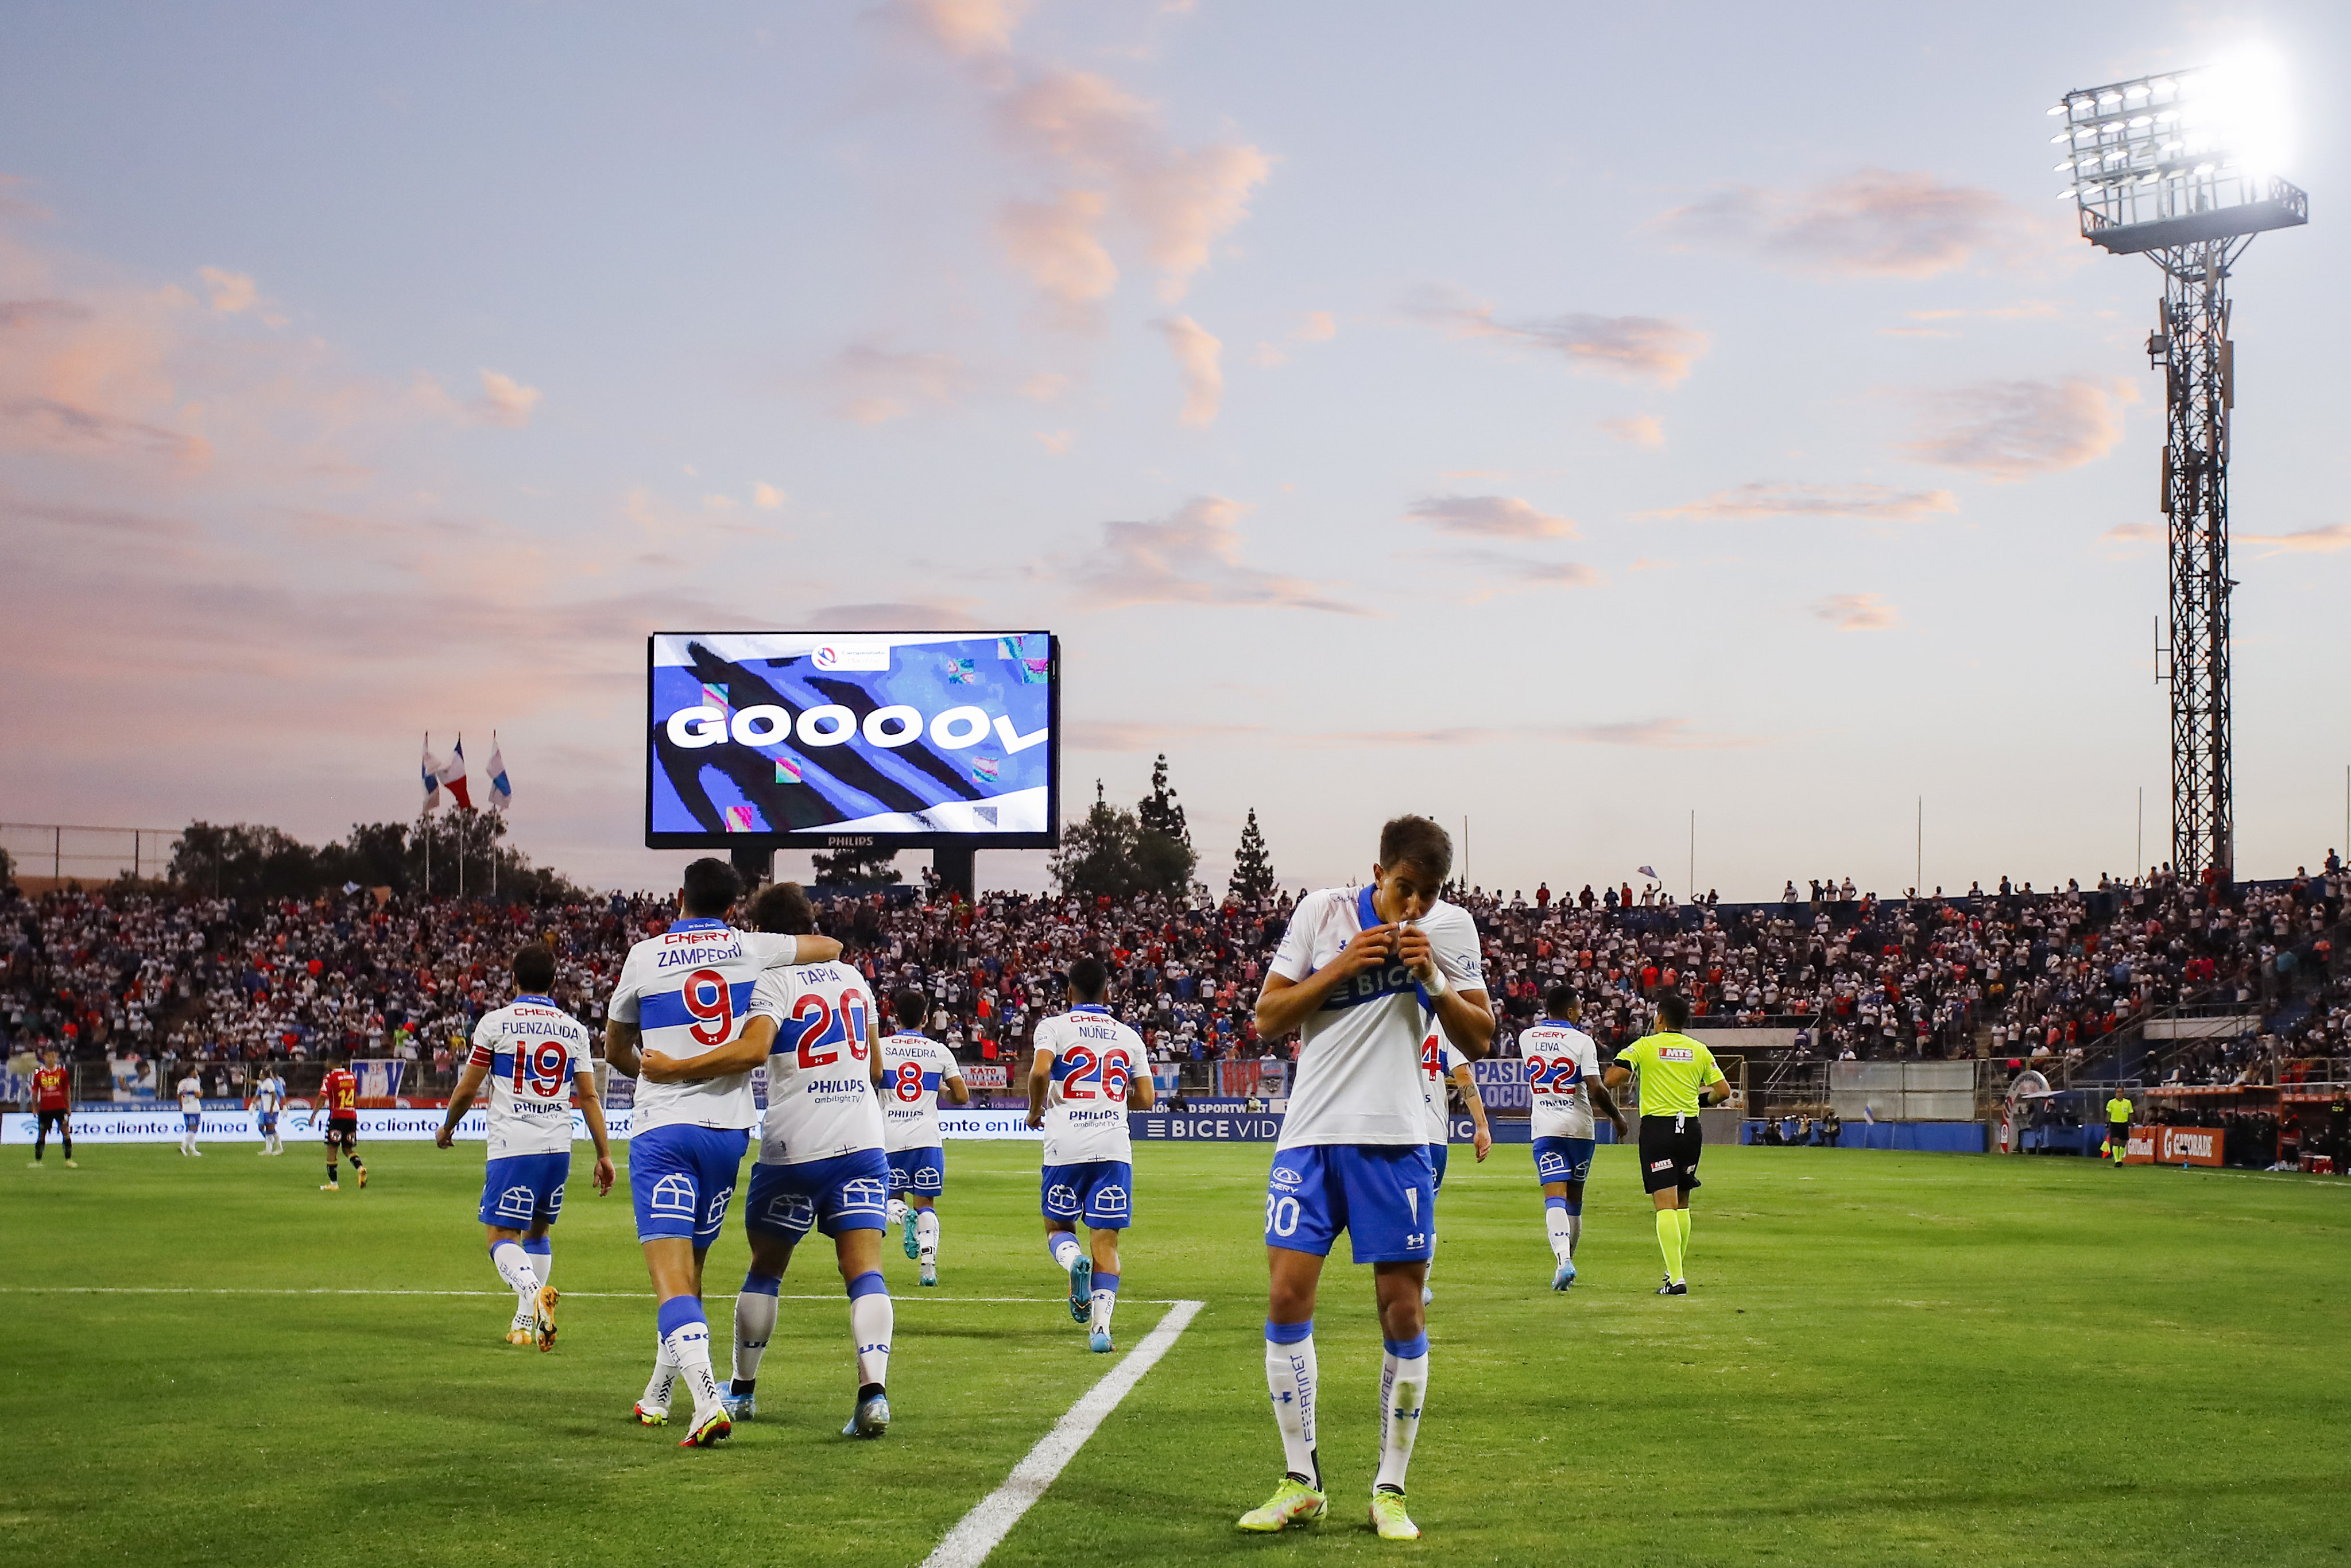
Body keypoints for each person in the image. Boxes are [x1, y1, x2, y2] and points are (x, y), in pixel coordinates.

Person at [1239, 815, 1492, 1542]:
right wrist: (1342, 967)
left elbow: (1479, 1036)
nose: (1415, 904)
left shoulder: (1451, 929)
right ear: (1378, 872)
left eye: (1428, 892)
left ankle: (1390, 1489)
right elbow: (1267, 1017)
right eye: (1404, 887)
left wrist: (1433, 977)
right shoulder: (1321, 913)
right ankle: (1301, 1481)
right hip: (1310, 1139)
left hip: (1396, 1140)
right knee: (1286, 1298)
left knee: (1403, 1311)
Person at [638, 880, 892, 1439]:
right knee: (865, 1272)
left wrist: (675, 1069)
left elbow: (753, 1050)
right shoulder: (855, 979)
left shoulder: (771, 979)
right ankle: (872, 1392)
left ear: (764, 930)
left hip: (793, 1147)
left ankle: (743, 1389)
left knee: (766, 1270)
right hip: (862, 1141)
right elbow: (877, 1067)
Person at [602, 859, 843, 1447]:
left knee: (671, 1280)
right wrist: (771, 949)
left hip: (664, 1132)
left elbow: (614, 1049)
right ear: (732, 907)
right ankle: (659, 1393)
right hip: (727, 1133)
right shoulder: (749, 947)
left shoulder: (644, 955)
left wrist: (657, 1075)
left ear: (679, 896)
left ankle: (709, 1402)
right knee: (692, 1272)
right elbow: (831, 947)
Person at [436, 943, 615, 1350]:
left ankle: (535, 1293)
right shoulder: (573, 1030)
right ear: (554, 982)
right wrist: (604, 1154)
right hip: (558, 1146)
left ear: (513, 979)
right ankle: (523, 1322)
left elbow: (468, 1087)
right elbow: (589, 1096)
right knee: (538, 1231)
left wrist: (448, 1126)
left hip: (513, 1145)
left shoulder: (495, 1024)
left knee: (500, 1235)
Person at [1028, 956, 1154, 1354]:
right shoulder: (1128, 1035)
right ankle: (1100, 1330)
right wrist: (1110, 1099)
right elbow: (1146, 1098)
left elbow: (1039, 1072)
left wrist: (1034, 1110)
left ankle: (1072, 1263)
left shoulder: (1053, 1026)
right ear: (1108, 993)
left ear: (1069, 992)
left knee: (1057, 1228)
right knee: (1107, 1243)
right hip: (1113, 1148)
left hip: (1065, 1146)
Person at [1602, 992, 1731, 1296]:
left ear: (1659, 1018)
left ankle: (1676, 1280)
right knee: (1682, 1202)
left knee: (1664, 1205)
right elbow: (1723, 1092)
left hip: (1658, 1129)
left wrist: (1633, 1071)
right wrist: (1701, 1100)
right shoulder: (1699, 1050)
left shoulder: (1645, 1046)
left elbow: (1611, 1079)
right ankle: (1675, 1269)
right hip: (1691, 1129)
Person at [1518, 989, 1626, 1290]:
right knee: (1575, 1199)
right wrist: (1617, 1117)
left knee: (1554, 1197)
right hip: (1580, 1129)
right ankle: (1567, 1263)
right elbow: (1596, 1087)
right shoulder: (1582, 1041)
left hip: (1547, 1128)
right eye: (1579, 1009)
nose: (1581, 1013)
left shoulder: (1527, 1038)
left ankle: (1563, 1261)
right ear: (1569, 1012)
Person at [879, 989, 969, 1287]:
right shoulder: (939, 1051)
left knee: (888, 1199)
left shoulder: (881, 1047)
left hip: (889, 1137)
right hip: (927, 1139)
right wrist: (940, 1090)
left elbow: (869, 1082)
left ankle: (903, 1215)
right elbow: (962, 1096)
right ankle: (928, 1268)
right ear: (926, 1018)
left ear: (894, 1017)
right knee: (926, 1204)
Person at [1415, 1025, 1492, 1306]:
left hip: (1391, 1132)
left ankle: (1398, 1284)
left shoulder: (1385, 1011)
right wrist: (1482, 1125)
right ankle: (1419, 1286)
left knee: (1394, 1210)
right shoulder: (1445, 1023)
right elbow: (1464, 1077)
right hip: (1431, 1135)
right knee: (1424, 1210)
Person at [309, 1056, 364, 1188]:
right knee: (347, 1149)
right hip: (351, 1116)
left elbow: (322, 1097)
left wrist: (314, 1115)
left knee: (332, 1150)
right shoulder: (352, 1077)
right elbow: (355, 1097)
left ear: (331, 1063)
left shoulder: (330, 1078)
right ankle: (360, 1167)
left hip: (337, 1117)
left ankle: (334, 1184)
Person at [30, 1048, 73, 1167]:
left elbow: (66, 1091)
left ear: (56, 1057)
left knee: (65, 1131)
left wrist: (68, 1107)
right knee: (42, 1134)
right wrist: (35, 1107)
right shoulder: (39, 1074)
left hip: (60, 1108)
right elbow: (35, 1092)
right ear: (44, 1057)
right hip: (45, 1109)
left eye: (53, 1056)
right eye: (49, 1056)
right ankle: (38, 1161)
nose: (51, 1058)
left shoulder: (62, 1072)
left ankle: (68, 1160)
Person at [249, 1062, 287, 1156]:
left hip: (272, 1108)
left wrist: (285, 1107)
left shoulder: (277, 1084)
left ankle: (275, 1147)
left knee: (271, 1128)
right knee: (261, 1127)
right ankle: (269, 1147)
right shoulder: (263, 1083)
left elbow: (282, 1096)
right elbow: (258, 1094)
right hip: (263, 1108)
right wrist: (252, 1104)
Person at [176, 1066, 206, 1156]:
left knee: (190, 1129)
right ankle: (183, 1146)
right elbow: (197, 1095)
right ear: (192, 1072)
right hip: (194, 1109)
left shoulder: (182, 1082)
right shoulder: (195, 1083)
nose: (197, 1072)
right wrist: (202, 1093)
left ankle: (193, 1149)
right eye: (196, 1071)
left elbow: (178, 1096)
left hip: (186, 1108)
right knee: (194, 1129)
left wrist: (182, 1105)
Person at [2105, 1089, 2135, 1167]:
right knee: (2116, 1141)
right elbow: (2109, 1114)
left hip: (2124, 1124)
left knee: (2123, 1142)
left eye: (2120, 1092)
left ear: (2123, 1093)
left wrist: (2132, 1123)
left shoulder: (2127, 1103)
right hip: (2114, 1124)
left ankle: (2120, 1159)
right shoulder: (2111, 1102)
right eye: (2118, 1092)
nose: (2119, 1094)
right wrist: (2107, 1123)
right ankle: (2117, 1160)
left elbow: (2130, 1113)